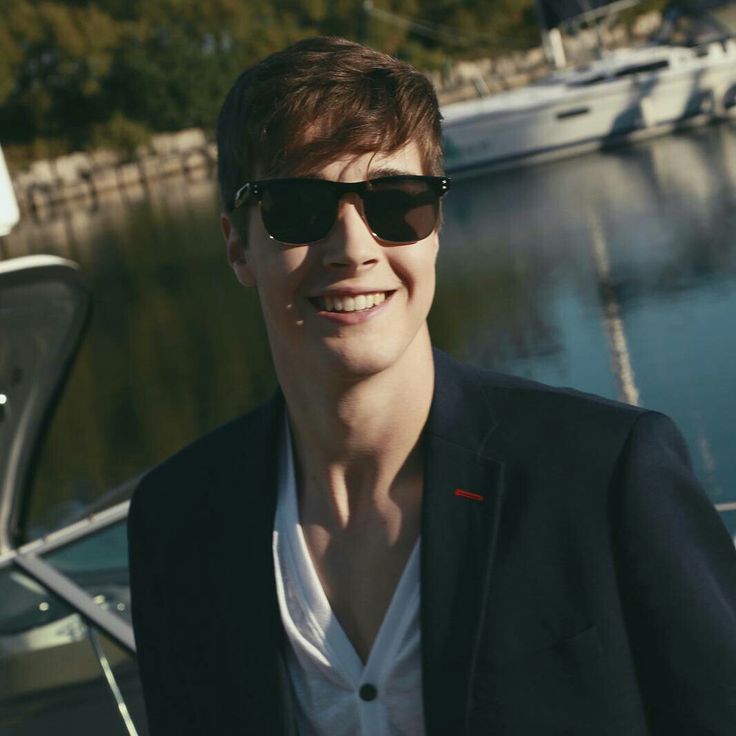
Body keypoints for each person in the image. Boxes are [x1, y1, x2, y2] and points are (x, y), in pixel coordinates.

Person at [127, 36, 736, 736]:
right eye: (298, 208)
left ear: (436, 222)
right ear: (238, 244)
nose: (355, 248)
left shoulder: (601, 476)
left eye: (397, 204)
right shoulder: (177, 523)